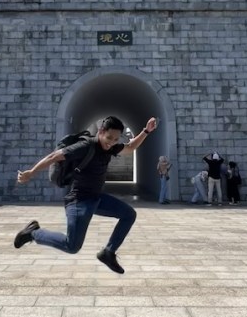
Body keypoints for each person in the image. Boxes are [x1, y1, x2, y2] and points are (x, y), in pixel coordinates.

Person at [15, 115, 157, 274]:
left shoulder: (111, 147)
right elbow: (54, 156)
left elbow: (130, 147)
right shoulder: (85, 146)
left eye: (116, 139)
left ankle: (108, 253)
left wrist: (146, 131)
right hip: (78, 201)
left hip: (96, 198)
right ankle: (34, 233)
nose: (111, 142)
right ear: (101, 131)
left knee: (129, 214)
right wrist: (32, 172)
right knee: (72, 246)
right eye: (109, 137)